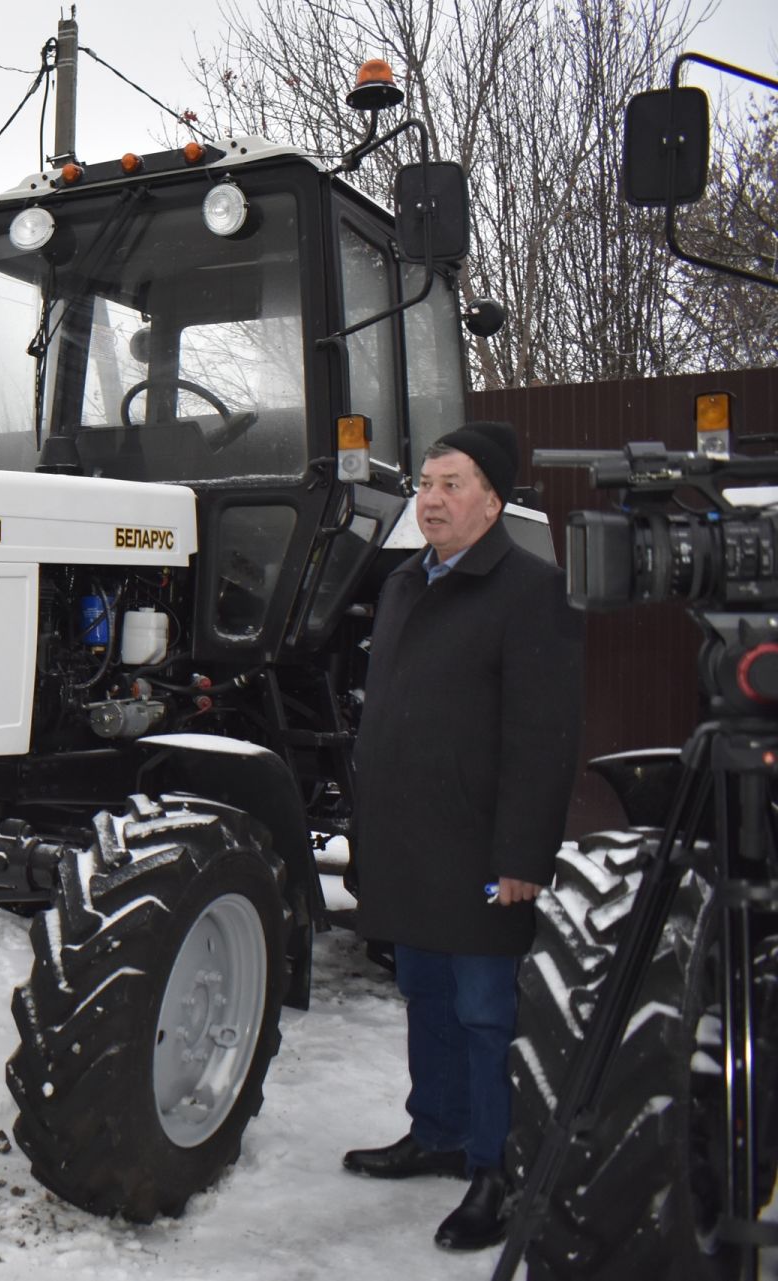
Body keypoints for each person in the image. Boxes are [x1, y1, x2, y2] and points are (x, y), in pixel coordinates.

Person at [341, 420, 584, 1251]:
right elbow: (384, 726)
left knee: (487, 1011)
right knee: (427, 996)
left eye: (451, 484)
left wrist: (523, 856)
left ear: (493, 498)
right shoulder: (407, 583)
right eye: (426, 483)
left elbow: (543, 739)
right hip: (410, 846)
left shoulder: (530, 591)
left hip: (484, 854)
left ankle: (496, 1167)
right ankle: (438, 1129)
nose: (431, 498)